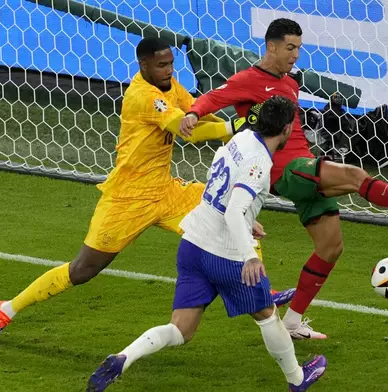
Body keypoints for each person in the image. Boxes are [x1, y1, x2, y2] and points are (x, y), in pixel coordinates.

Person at [0, 37, 293, 345]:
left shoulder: (170, 86)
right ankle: (5, 309)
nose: (168, 70)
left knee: (228, 209)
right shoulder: (142, 96)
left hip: (166, 191)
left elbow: (197, 113)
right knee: (83, 270)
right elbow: (187, 131)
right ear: (143, 65)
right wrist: (235, 127)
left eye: (171, 63)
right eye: (161, 65)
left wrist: (237, 128)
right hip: (127, 198)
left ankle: (263, 290)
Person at [179, 18, 388, 340]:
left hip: (304, 166)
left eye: (298, 49)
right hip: (280, 170)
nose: (295, 55)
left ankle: (292, 322)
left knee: (331, 247)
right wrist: (193, 113)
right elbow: (213, 98)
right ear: (271, 46)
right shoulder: (248, 79)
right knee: (353, 175)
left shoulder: (291, 83)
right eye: (290, 48)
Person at [87, 96, 327, 392]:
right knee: (267, 315)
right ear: (288, 128)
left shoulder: (241, 139)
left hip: (193, 243)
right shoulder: (260, 162)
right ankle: (297, 379)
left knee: (181, 328)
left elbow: (219, 182)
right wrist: (249, 256)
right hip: (226, 257)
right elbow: (234, 209)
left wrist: (248, 218)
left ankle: (125, 356)